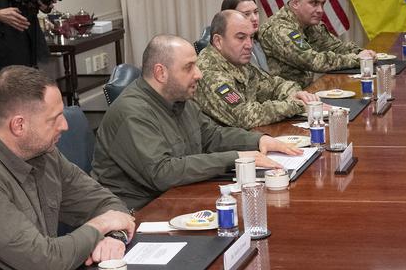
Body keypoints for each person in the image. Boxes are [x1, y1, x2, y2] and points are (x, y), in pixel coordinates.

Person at [0, 66, 135, 270]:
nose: (65, 125)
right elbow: (44, 261)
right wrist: (101, 225)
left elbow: (106, 203)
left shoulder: (43, 151)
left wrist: (113, 236)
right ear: (19, 125)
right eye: (54, 118)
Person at [92, 34, 301, 210]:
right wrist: (236, 157)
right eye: (189, 67)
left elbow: (211, 135)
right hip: (139, 213)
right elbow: (163, 173)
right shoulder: (132, 112)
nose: (198, 74)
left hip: (178, 197)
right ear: (160, 73)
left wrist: (259, 141)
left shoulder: (178, 99)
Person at [195, 10, 320, 128]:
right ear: (218, 41)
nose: (249, 45)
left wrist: (296, 94)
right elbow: (244, 116)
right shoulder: (209, 71)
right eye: (241, 38)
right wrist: (294, 105)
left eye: (251, 38)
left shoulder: (236, 61)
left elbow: (274, 85)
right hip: (223, 147)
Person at [257, 0, 376, 87]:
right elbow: (313, 61)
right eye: (314, 3)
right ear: (295, 3)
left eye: (322, 4)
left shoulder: (309, 23)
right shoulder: (280, 29)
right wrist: (357, 59)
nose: (320, 10)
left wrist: (362, 53)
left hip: (307, 91)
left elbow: (335, 47)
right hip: (287, 98)